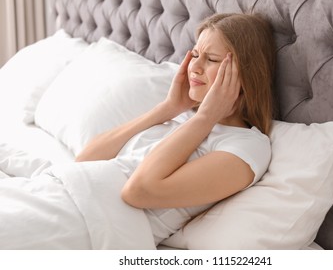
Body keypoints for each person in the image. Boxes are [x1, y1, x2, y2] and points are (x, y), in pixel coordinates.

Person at [0, 13, 276, 248]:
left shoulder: (247, 147)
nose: (195, 66)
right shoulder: (184, 119)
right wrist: (168, 108)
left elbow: (138, 191)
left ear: (245, 74)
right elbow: (85, 160)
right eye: (194, 54)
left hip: (88, 222)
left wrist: (204, 118)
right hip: (64, 191)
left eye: (211, 59)